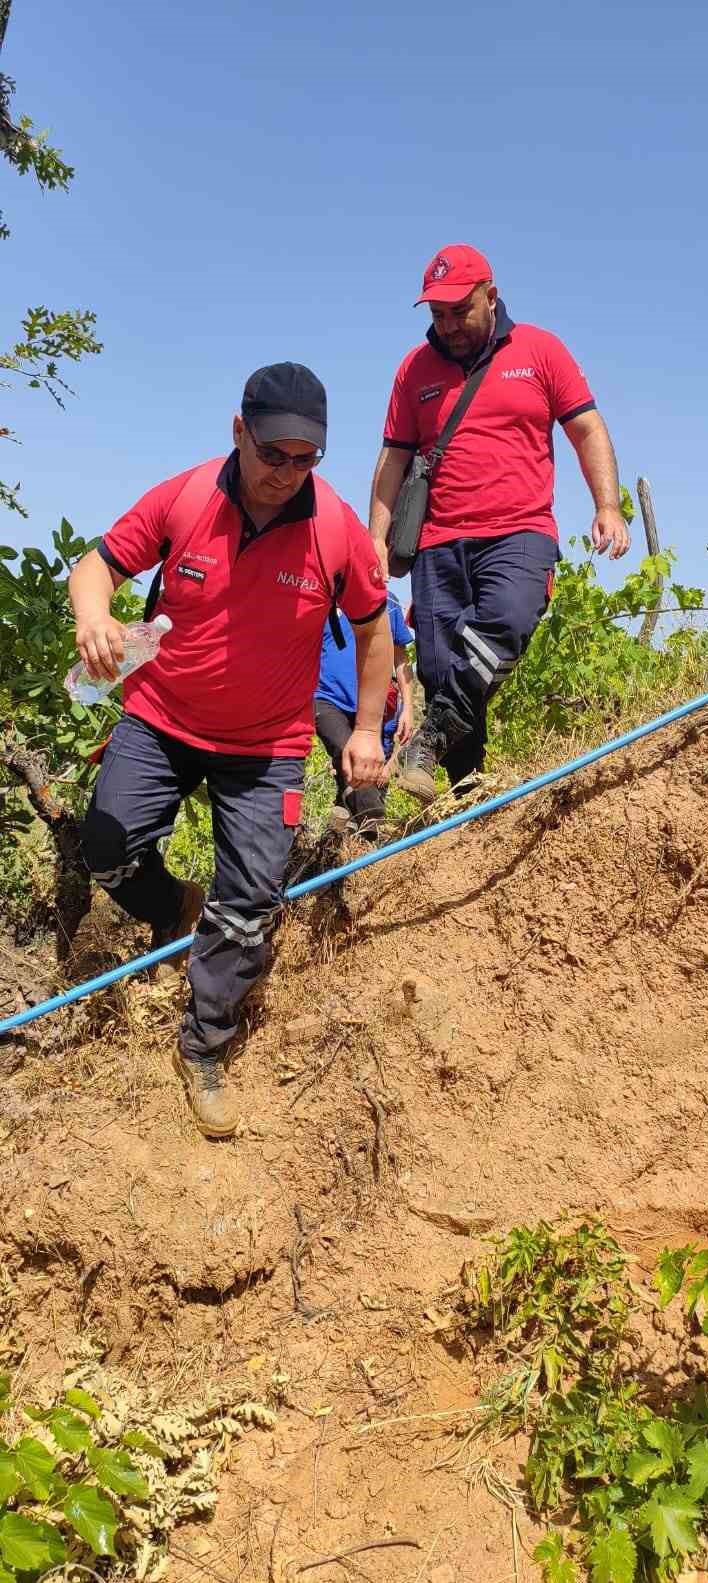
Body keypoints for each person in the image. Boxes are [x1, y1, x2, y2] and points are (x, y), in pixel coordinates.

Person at [69, 363, 392, 1138]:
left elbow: (377, 625)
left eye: (305, 459)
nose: (287, 472)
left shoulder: (336, 527)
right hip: (162, 717)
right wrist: (94, 616)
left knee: (249, 908)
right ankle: (175, 906)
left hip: (267, 745)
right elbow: (97, 567)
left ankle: (204, 1044)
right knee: (106, 849)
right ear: (238, 431)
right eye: (273, 452)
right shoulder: (183, 498)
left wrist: (370, 728)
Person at [369, 243, 630, 801]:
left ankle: (430, 741)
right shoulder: (413, 371)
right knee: (444, 674)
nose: (448, 325)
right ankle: (470, 793)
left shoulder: (540, 350)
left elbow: (587, 428)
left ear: (491, 296)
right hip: (437, 543)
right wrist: (374, 538)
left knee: (506, 620)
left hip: (520, 530)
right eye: (437, 314)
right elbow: (392, 459)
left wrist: (607, 505)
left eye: (459, 311)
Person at [314, 593, 414, 834]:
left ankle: (342, 838)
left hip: (371, 706)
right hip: (325, 698)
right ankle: (374, 825)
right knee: (345, 749)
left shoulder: (388, 603)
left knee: (363, 771)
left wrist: (408, 707)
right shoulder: (323, 594)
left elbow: (400, 658)